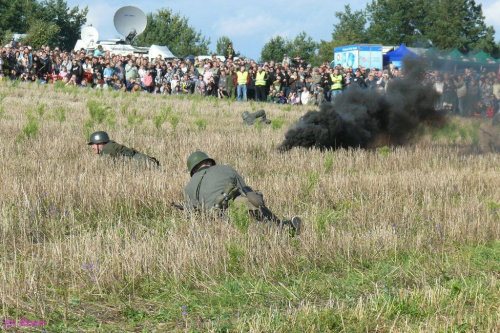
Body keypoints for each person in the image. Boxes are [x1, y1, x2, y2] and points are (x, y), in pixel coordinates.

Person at [183, 151, 302, 234]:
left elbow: (190, 216)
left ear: (193, 170)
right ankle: (282, 227)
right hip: (234, 214)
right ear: (209, 162)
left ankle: (277, 228)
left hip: (212, 223)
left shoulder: (188, 187)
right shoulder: (226, 169)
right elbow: (246, 192)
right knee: (247, 203)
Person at [88, 131, 160, 167]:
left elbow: (104, 169)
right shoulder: (110, 145)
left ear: (100, 142)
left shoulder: (107, 150)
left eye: (93, 144)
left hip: (140, 163)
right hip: (142, 160)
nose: (92, 147)